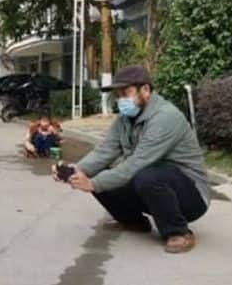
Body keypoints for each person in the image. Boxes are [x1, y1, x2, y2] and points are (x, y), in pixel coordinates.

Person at [52, 65, 210, 253]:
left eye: (126, 93)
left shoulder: (166, 117)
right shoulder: (124, 119)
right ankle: (134, 221)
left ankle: (178, 231)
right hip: (152, 187)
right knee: (102, 173)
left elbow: (137, 163)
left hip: (190, 196)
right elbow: (105, 150)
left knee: (144, 176)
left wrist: (94, 184)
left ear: (145, 90)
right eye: (118, 95)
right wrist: (78, 169)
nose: (121, 100)